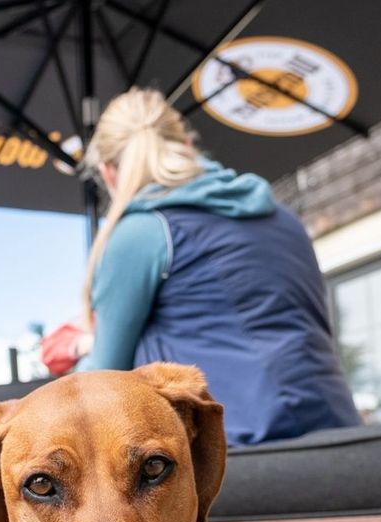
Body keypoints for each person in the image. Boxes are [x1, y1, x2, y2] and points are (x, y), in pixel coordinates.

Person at [41, 87, 361, 447]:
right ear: (187, 146)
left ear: (108, 172)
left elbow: (102, 379)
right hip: (340, 433)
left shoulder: (143, 231)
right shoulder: (282, 216)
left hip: (235, 448)